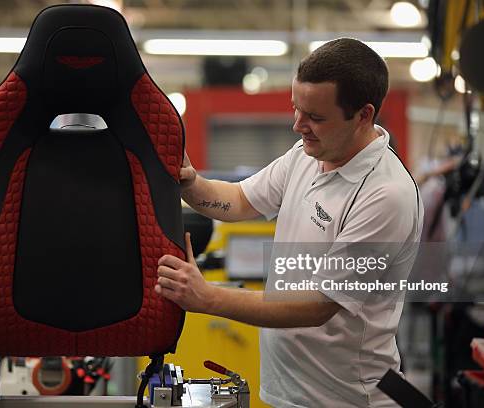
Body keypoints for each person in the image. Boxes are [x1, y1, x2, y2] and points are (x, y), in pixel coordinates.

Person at [155, 38, 423, 407]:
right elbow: (240, 200)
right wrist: (190, 182)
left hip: (345, 399)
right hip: (290, 391)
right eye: (297, 109)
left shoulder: (384, 194)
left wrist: (208, 297)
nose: (298, 126)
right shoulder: (307, 155)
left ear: (364, 115)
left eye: (315, 117)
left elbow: (318, 305)